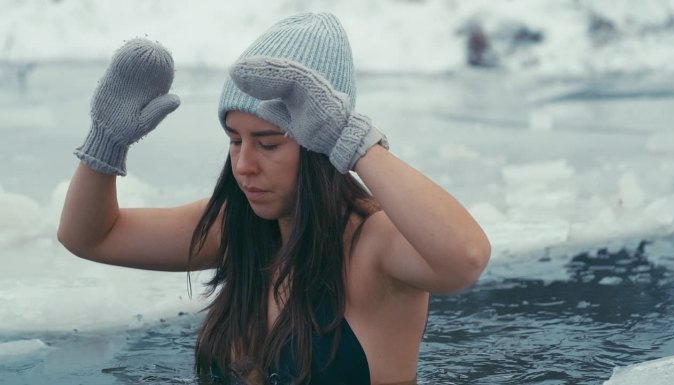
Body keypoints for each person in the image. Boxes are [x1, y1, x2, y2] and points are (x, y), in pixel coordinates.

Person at [57, 12, 491, 385]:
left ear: (318, 139)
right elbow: (90, 237)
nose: (244, 165)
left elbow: (465, 258)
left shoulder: (372, 246)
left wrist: (352, 140)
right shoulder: (237, 226)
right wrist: (105, 144)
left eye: (268, 144)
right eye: (234, 140)